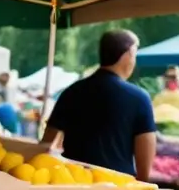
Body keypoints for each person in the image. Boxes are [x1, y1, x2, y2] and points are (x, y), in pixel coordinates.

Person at [42, 30, 156, 180]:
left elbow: (46, 145)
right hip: (117, 188)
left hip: (73, 183)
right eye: (134, 55)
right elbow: (145, 150)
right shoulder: (139, 98)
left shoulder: (72, 92)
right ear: (127, 55)